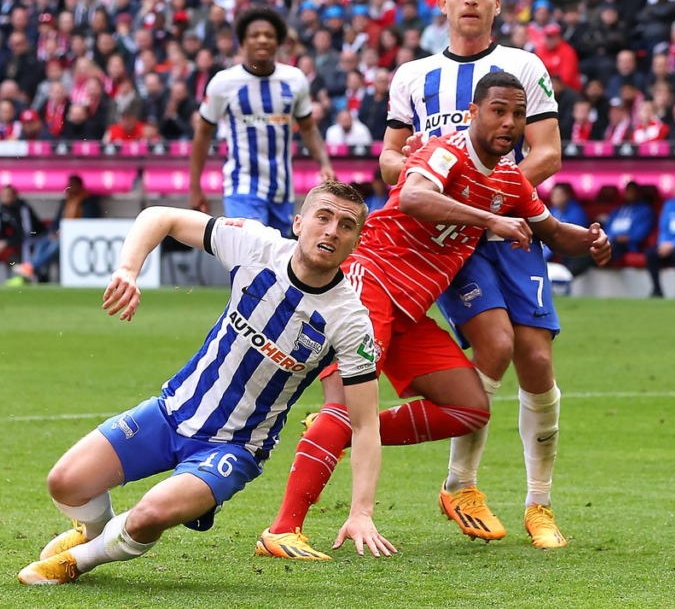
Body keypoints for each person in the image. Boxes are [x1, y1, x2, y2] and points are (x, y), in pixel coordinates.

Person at [258, 72, 611, 560]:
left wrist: (591, 239)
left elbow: (550, 230)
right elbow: (411, 197)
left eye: (518, 115)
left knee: (469, 407)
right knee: (343, 404)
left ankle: (347, 433)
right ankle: (283, 529)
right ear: (473, 113)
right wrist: (490, 220)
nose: (508, 122)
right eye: (498, 111)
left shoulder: (509, 181)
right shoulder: (445, 151)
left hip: (409, 310)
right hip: (371, 284)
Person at [16, 181, 395, 585]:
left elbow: (365, 424)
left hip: (236, 447)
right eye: (323, 217)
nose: (332, 230)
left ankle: (81, 561)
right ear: (299, 222)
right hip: (171, 412)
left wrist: (362, 512)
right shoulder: (255, 246)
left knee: (149, 515)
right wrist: (128, 270)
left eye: (346, 225)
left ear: (355, 242)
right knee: (65, 484)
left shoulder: (351, 321)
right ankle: (97, 533)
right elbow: (160, 216)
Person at [379, 0, 573, 548]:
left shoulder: (522, 66)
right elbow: (389, 158)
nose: (469, 0)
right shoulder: (413, 74)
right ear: (442, 2)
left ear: (495, 4)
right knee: (494, 344)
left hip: (510, 228)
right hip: (451, 241)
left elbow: (547, 153)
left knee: (536, 361)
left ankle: (539, 505)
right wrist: (422, 171)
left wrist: (498, 199)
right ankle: (461, 483)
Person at [189, 7, 335, 237]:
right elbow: (203, 134)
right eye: (255, 35)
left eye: (269, 35)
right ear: (243, 43)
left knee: (277, 266)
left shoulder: (295, 79)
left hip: (282, 191)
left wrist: (324, 163)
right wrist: (195, 185)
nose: (262, 40)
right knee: (250, 258)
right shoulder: (224, 82)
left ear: (278, 42)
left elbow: (308, 127)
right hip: (242, 187)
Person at [20, 175, 101, 283]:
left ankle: (32, 267)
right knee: (43, 241)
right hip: (62, 233)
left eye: (71, 185)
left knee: (56, 245)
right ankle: (35, 270)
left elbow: (87, 222)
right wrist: (54, 232)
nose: (69, 187)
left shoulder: (88, 201)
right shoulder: (66, 201)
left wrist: (66, 232)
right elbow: (57, 221)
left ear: (79, 186)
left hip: (78, 237)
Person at [0, 185, 44, 278]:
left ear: (15, 196)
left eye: (8, 194)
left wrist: (7, 242)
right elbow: (0, 232)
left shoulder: (23, 208)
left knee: (26, 244)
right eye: (3, 195)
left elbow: (28, 232)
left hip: (36, 237)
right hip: (17, 238)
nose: (6, 197)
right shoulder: (1, 210)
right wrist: (1, 243)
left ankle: (26, 275)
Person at [605, 181, 656, 261]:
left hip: (627, 245)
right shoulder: (617, 211)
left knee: (608, 250)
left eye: (632, 191)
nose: (629, 193)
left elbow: (640, 233)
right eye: (627, 191)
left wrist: (626, 238)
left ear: (638, 193)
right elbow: (607, 229)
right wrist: (610, 238)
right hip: (611, 241)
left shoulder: (645, 210)